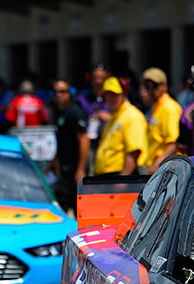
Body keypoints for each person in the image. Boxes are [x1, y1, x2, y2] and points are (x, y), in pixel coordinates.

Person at [47, 79, 90, 214]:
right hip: (63, 169)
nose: (59, 95)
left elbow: (84, 140)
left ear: (69, 94)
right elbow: (63, 142)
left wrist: (81, 169)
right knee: (62, 203)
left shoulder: (74, 112)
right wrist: (53, 163)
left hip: (74, 169)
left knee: (77, 208)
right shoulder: (60, 113)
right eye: (56, 92)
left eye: (62, 92)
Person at [94, 76, 147, 176]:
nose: (111, 98)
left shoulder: (132, 115)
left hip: (121, 176)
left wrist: (123, 179)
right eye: (108, 95)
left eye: (115, 94)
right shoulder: (114, 117)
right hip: (107, 177)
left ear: (123, 94)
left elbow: (135, 151)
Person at [140, 67, 182, 172]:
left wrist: (155, 166)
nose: (151, 90)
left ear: (164, 86)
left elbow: (173, 143)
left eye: (154, 86)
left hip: (166, 168)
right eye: (147, 86)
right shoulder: (156, 107)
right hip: (160, 166)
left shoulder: (169, 108)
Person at [78, 63, 111, 153]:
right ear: (90, 78)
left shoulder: (113, 98)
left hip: (109, 143)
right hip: (89, 144)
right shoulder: (82, 99)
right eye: (95, 78)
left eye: (102, 78)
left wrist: (110, 118)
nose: (98, 82)